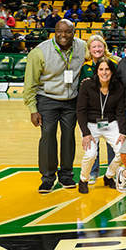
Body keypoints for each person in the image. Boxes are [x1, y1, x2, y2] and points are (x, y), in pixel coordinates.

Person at [24, 19, 87, 193]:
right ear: (55, 31)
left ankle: (66, 175)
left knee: (68, 137)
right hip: (47, 99)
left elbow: (99, 54)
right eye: (59, 31)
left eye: (67, 31)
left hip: (71, 100)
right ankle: (47, 178)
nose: (63, 35)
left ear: (74, 32)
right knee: (47, 137)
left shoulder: (82, 46)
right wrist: (32, 109)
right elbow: (29, 84)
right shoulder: (40, 52)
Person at [76, 59, 126, 193]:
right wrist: (86, 133)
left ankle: (109, 176)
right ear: (97, 71)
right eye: (101, 69)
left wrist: (123, 132)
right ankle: (83, 179)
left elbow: (120, 111)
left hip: (111, 123)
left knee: (123, 152)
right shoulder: (87, 85)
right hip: (91, 124)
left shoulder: (118, 87)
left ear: (112, 71)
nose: (104, 73)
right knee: (91, 153)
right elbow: (80, 111)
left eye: (107, 69)